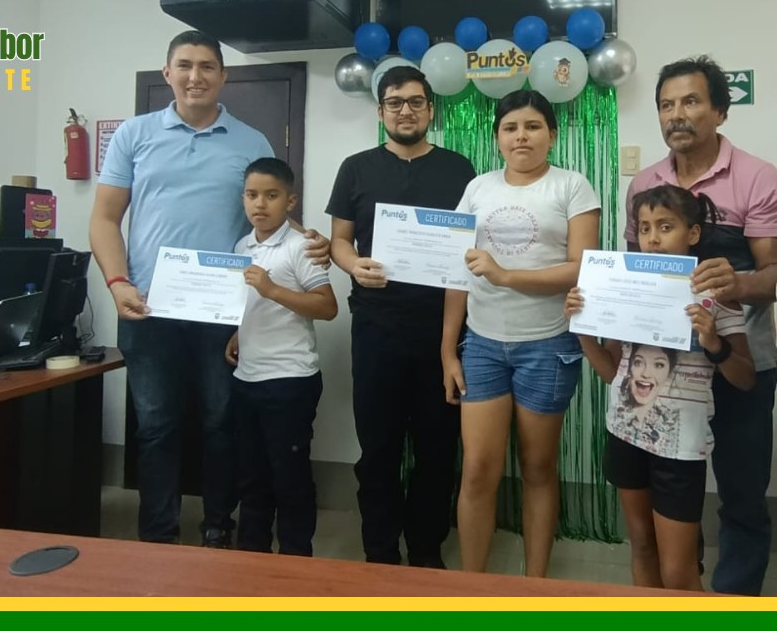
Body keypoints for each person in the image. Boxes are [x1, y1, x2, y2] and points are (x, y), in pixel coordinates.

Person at [89, 30, 328, 548]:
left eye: (206, 67)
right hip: (147, 306)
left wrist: (308, 240)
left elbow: (270, 209)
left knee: (222, 422)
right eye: (184, 65)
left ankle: (218, 525)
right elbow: (105, 219)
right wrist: (116, 282)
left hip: (224, 310)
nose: (194, 76)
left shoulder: (251, 141)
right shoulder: (134, 134)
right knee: (156, 425)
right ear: (167, 73)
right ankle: (158, 534)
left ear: (222, 76)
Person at [625, 55, 777, 595]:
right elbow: (633, 269)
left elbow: (773, 274)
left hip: (740, 361)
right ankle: (681, 591)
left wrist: (737, 283)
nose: (677, 114)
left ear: (720, 111)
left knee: (740, 493)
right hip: (664, 366)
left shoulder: (758, 177)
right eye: (666, 104)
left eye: (690, 101)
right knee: (671, 491)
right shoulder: (644, 182)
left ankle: (734, 603)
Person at [441, 89, 600, 577]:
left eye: (532, 126)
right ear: (497, 138)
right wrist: (448, 351)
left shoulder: (572, 186)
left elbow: (581, 268)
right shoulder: (478, 188)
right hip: (482, 345)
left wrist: (506, 275)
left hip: (548, 345)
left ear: (552, 134)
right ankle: (473, 586)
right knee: (477, 470)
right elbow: (456, 271)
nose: (521, 136)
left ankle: (535, 586)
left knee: (537, 468)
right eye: (510, 128)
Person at [568, 184, 754, 591]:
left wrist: (714, 343)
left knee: (678, 570)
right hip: (624, 436)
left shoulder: (716, 297)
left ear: (693, 233)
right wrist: (582, 330)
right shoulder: (626, 291)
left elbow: (745, 377)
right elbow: (611, 373)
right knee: (641, 548)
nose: (653, 238)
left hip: (679, 450)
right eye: (645, 227)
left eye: (666, 227)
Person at [326, 65, 476, 568]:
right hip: (376, 328)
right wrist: (354, 264)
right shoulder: (356, 168)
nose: (405, 111)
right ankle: (381, 552)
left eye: (415, 101)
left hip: (443, 332)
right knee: (378, 449)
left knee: (438, 449)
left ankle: (427, 551)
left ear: (431, 109)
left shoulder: (459, 169)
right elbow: (339, 241)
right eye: (395, 102)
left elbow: (468, 248)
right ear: (381, 111)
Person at [223, 158, 337, 556]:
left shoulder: (301, 246)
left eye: (271, 195)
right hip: (247, 378)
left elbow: (327, 307)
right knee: (251, 475)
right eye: (252, 195)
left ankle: (295, 557)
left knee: (289, 476)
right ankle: (252, 554)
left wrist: (272, 289)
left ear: (290, 201)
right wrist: (238, 332)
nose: (260, 204)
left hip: (290, 379)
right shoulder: (242, 247)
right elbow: (248, 303)